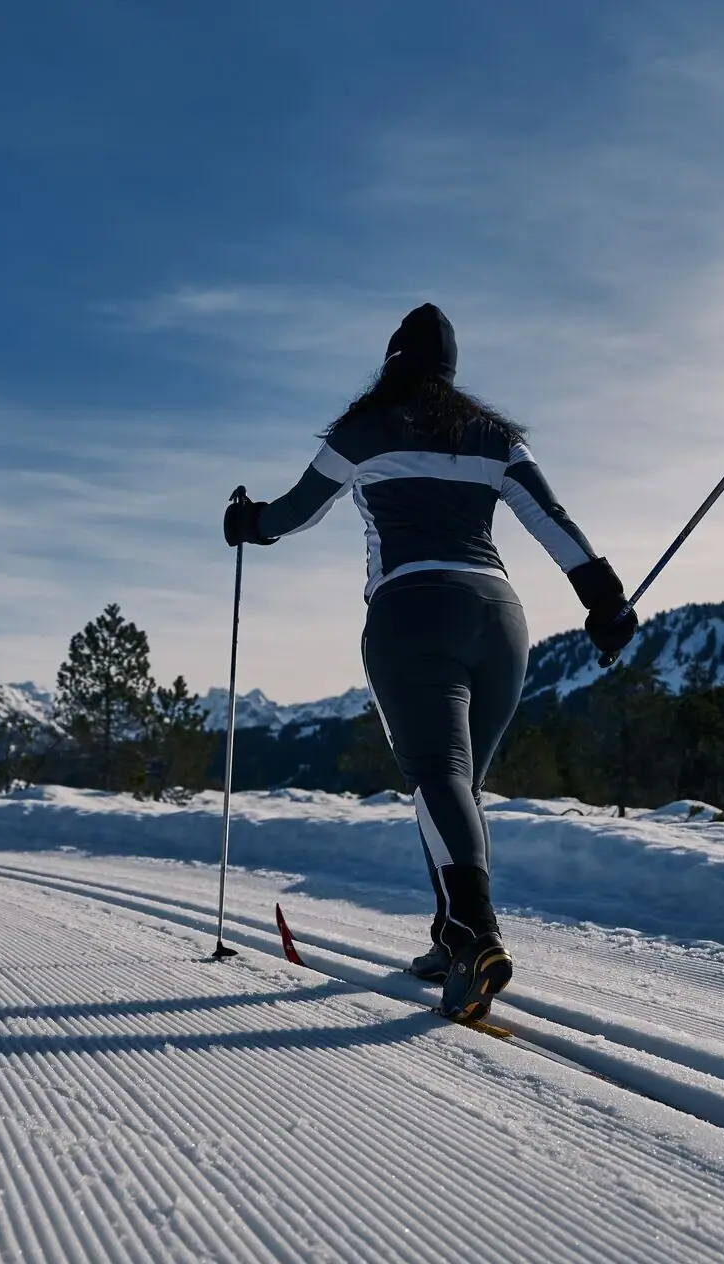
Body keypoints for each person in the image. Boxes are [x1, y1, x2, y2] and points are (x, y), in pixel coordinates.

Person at [225, 303, 636, 1023]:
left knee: (437, 776)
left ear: (392, 361)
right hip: (500, 622)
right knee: (457, 788)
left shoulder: (363, 430)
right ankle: (451, 941)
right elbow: (554, 524)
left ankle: (475, 933)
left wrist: (247, 522)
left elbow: (294, 514)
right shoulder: (495, 438)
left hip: (411, 612)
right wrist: (605, 601)